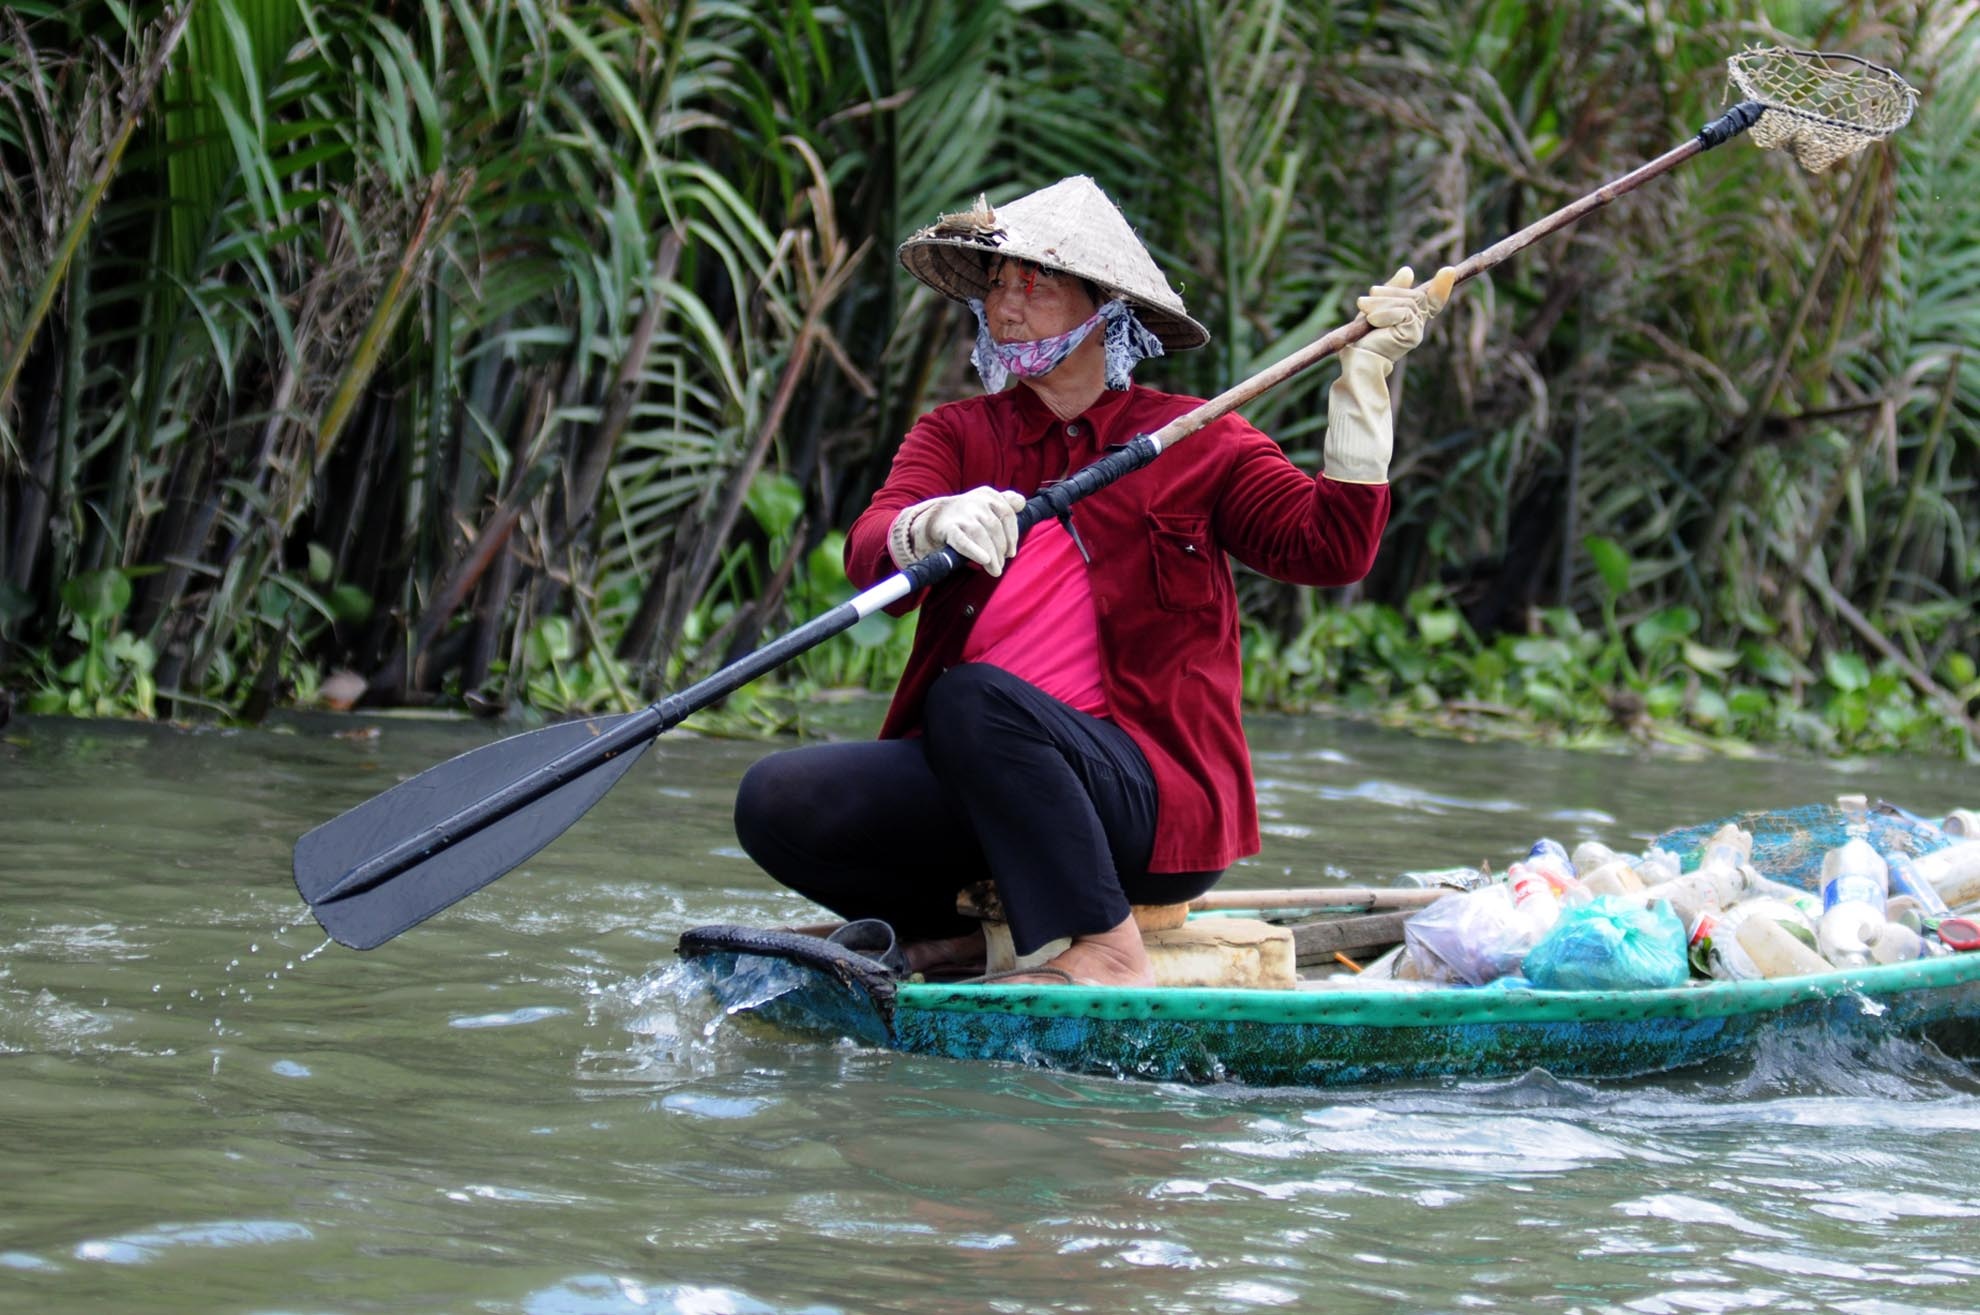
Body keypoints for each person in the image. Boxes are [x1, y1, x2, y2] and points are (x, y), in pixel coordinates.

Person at [734, 175, 1453, 986]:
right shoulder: (958, 435)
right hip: (988, 784)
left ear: (1104, 308)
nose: (1008, 307)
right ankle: (958, 940)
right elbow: (870, 545)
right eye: (1000, 285)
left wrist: (1364, 389)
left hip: (1147, 798)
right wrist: (932, 521)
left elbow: (1328, 548)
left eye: (1037, 286)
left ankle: (1108, 949)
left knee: (971, 698)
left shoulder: (1197, 438)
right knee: (776, 797)